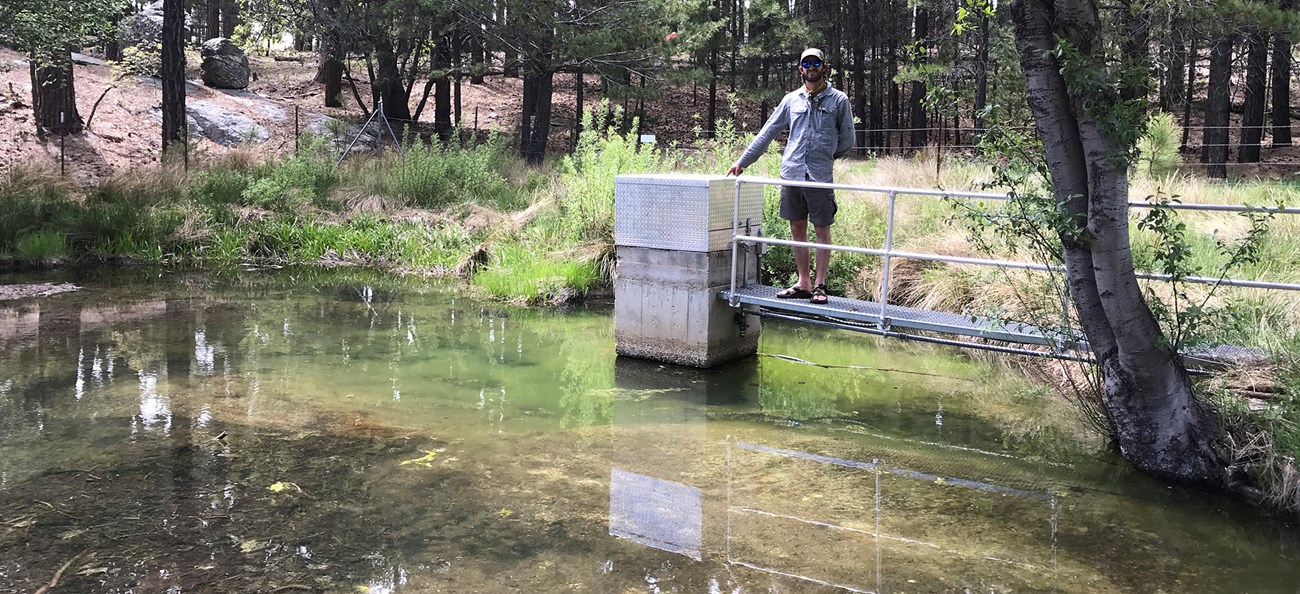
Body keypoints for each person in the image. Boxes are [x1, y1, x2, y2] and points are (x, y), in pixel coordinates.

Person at [727, 47, 855, 305]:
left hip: (819, 175)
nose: (811, 67)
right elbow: (768, 132)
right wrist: (743, 162)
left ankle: (820, 286)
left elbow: (848, 140)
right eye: (806, 63)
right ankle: (803, 282)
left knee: (821, 229)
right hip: (792, 173)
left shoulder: (838, 100)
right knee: (797, 228)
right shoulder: (791, 100)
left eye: (815, 63)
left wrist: (827, 156)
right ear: (800, 69)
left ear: (824, 67)